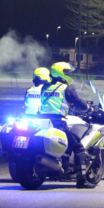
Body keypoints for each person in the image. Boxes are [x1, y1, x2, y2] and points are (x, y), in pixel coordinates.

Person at [39, 61, 96, 189]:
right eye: (67, 72)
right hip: (57, 122)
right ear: (61, 73)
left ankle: (57, 171)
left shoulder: (45, 87)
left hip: (42, 122)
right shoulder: (67, 88)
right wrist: (91, 109)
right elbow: (77, 102)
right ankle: (82, 180)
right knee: (78, 148)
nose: (70, 75)